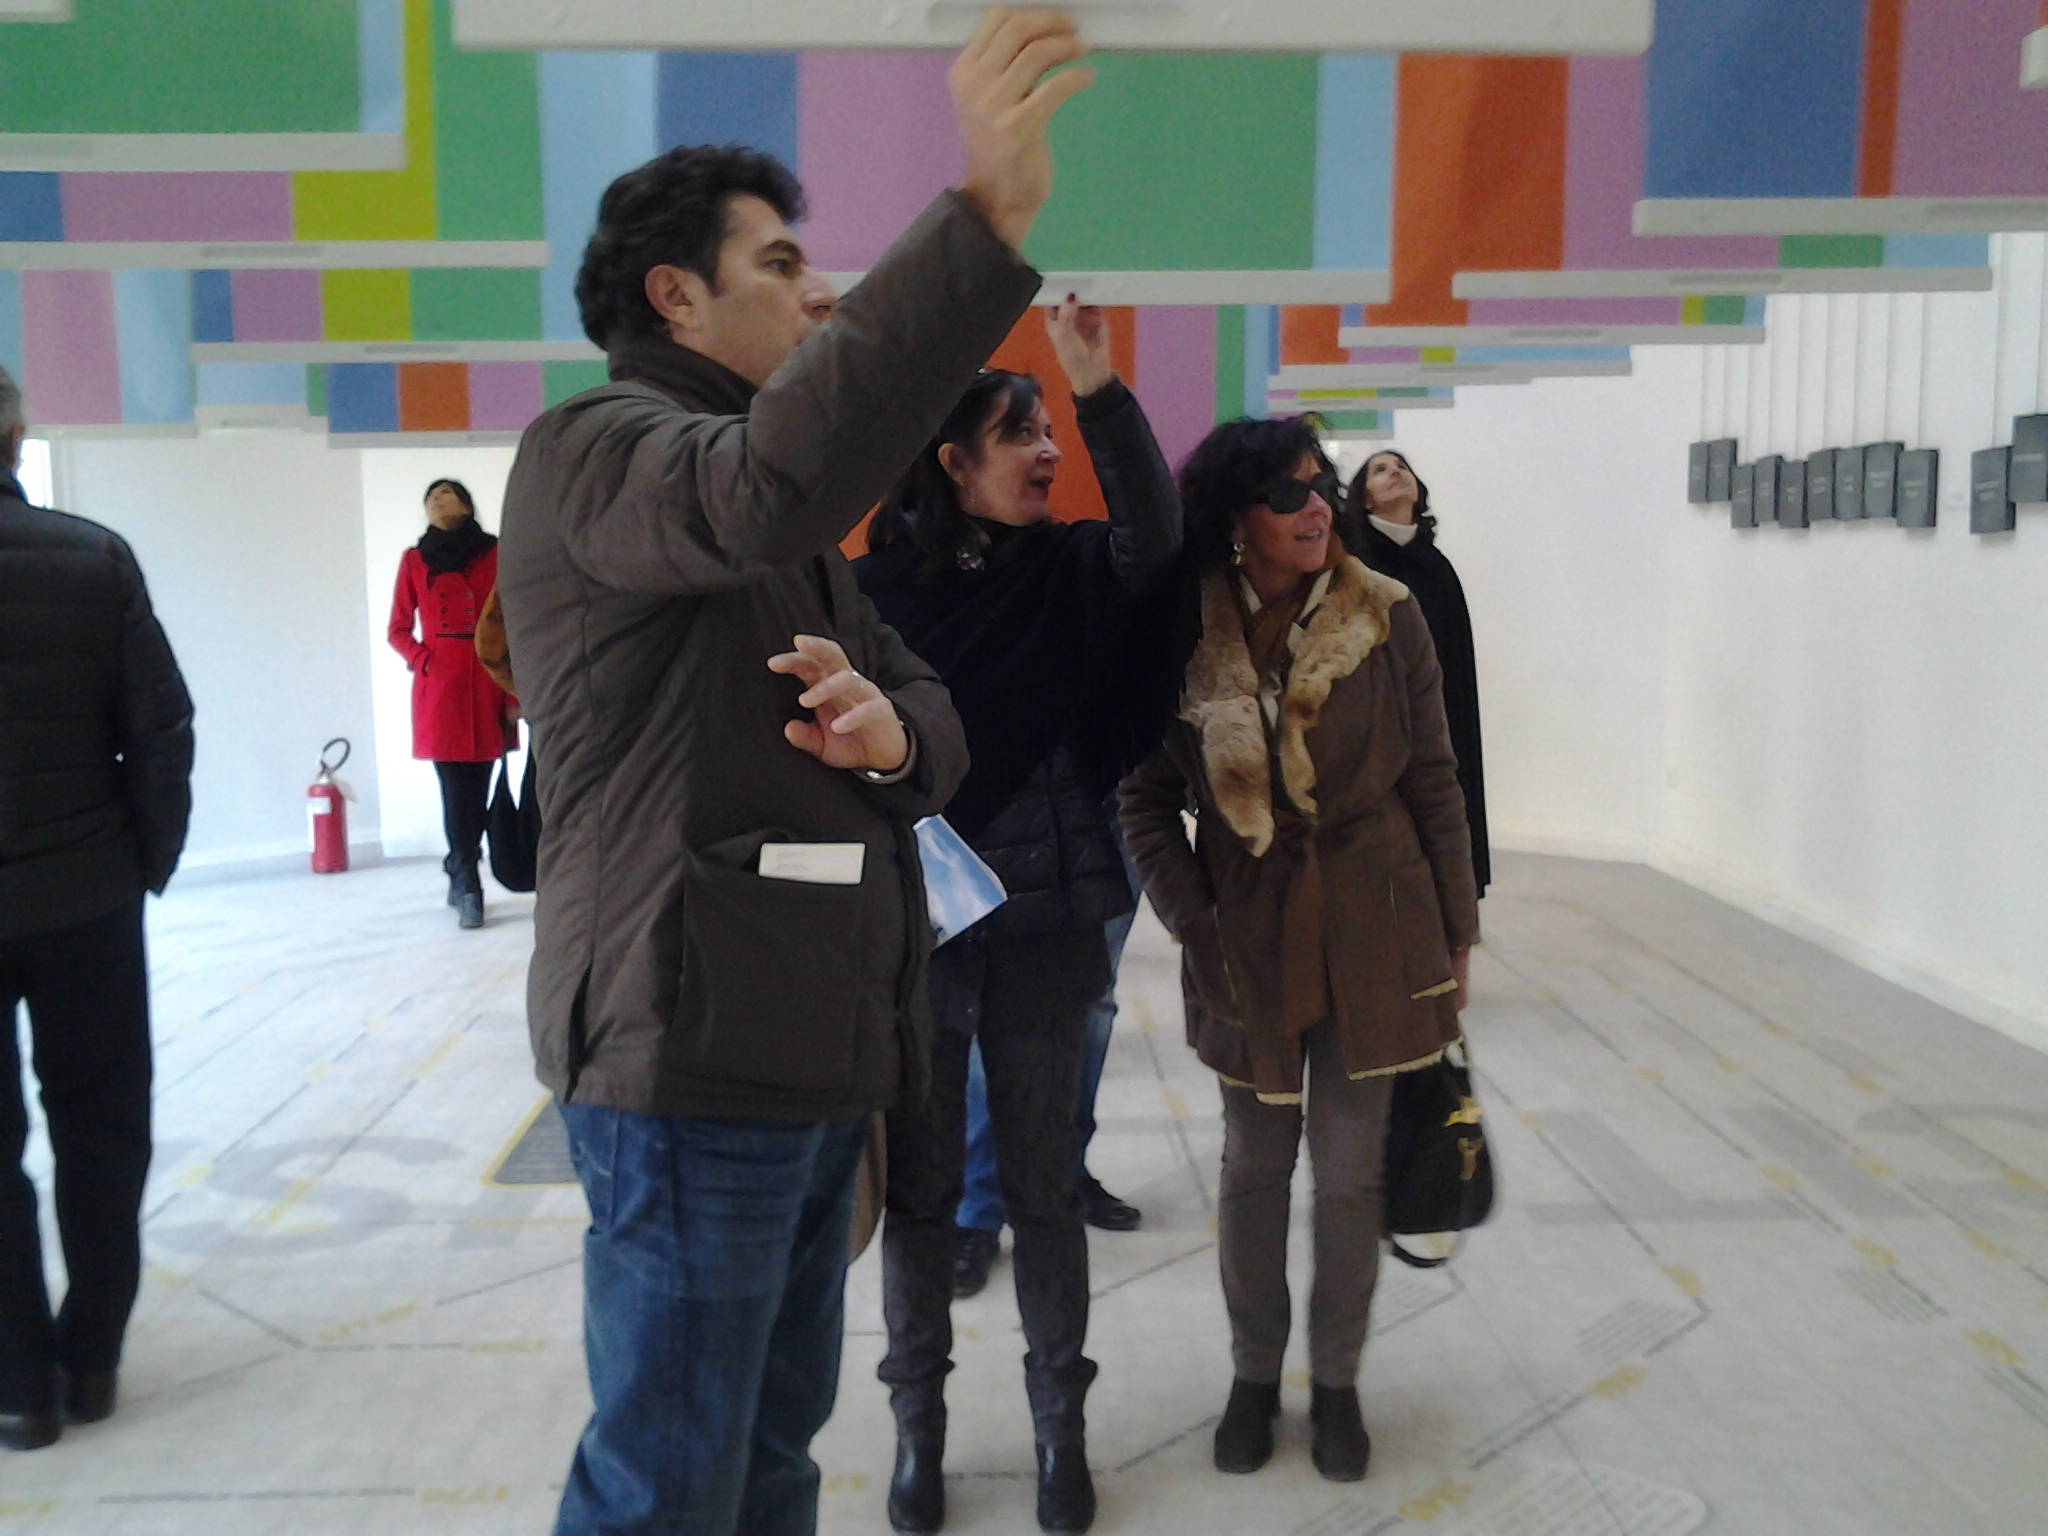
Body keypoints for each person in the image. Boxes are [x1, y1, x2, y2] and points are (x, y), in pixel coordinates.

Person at [494, 13, 1092, 1535]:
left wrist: (893, 738)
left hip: (814, 1056)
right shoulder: (601, 452)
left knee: (768, 1463)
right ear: (673, 294)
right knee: (670, 1481)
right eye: (779, 264)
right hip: (691, 1058)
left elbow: (926, 704)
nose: (817, 288)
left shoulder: (785, 536)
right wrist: (982, 219)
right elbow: (763, 484)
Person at [855, 302, 1186, 1534]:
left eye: (1051, 431)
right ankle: (918, 1439)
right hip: (921, 940)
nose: (1046, 452)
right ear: (952, 462)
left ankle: (1060, 1434)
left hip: (1049, 925)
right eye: (1020, 434)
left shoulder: (1068, 571)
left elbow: (1158, 535)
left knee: (1044, 1192)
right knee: (922, 1200)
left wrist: (1097, 387)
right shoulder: (871, 596)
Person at [1120, 417, 1478, 1485]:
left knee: (1350, 1176)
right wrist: (1198, 924)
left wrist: (1455, 930)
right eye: (1286, 493)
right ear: (1236, 519)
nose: (1316, 506)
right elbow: (1143, 801)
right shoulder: (1185, 634)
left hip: (1378, 924)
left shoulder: (1387, 612)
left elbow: (1434, 778)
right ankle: (1251, 1376)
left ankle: (1337, 1384)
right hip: (1250, 937)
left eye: (1320, 484)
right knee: (1254, 1170)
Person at [0, 365, 194, 1452]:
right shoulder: (91, 556)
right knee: (103, 1126)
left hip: (83, 885)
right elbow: (160, 730)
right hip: (84, 897)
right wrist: (142, 865)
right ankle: (92, 1358)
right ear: (16, 435)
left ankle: (18, 1387)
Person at [951, 813, 1141, 1306]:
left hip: (1109, 809)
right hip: (1005, 812)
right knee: (989, 1006)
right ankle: (978, 1208)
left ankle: (1067, 1169)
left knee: (1093, 1001)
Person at [1345, 450, 1489, 894]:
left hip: (1438, 718)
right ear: (1365, 499)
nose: (1395, 472)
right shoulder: (1355, 564)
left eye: (1401, 467)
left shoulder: (1438, 568)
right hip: (1377, 723)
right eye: (1380, 470)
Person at [386, 478, 516, 929]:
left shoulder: (496, 554)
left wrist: (513, 692)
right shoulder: (414, 559)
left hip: (488, 680)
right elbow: (397, 629)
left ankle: (459, 864)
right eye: (430, 497)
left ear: (466, 504)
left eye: (445, 494)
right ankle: (467, 881)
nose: (436, 501)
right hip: (440, 688)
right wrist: (425, 660)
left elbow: (512, 621)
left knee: (478, 785)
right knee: (454, 786)